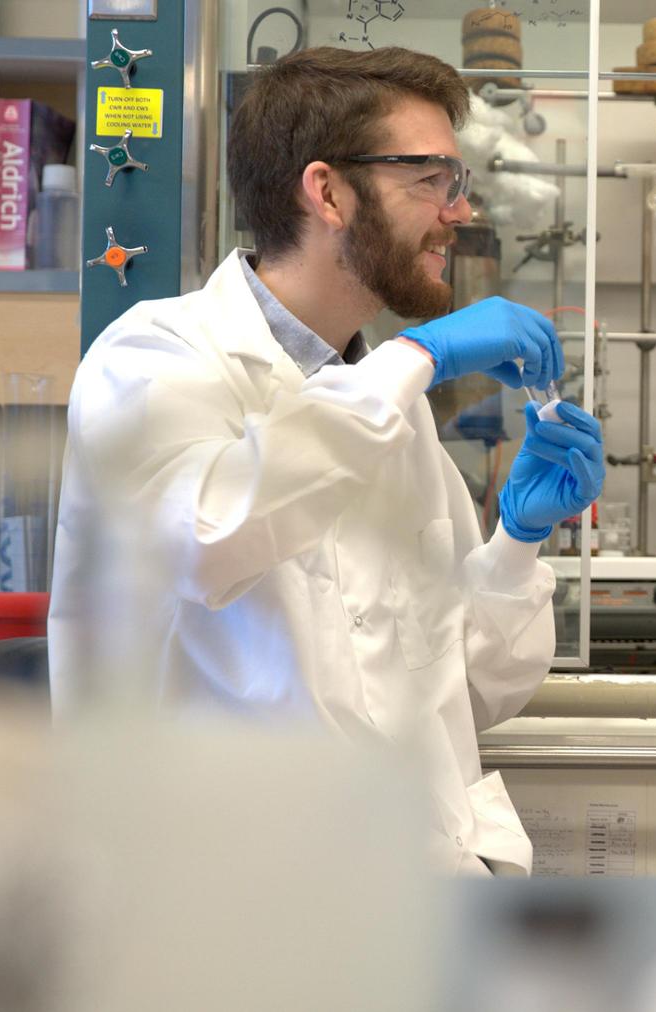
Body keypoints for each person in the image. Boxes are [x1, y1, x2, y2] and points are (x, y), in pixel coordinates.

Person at [48, 47, 604, 874]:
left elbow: (470, 689)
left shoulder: (384, 399)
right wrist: (415, 356)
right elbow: (209, 536)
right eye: (432, 179)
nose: (459, 211)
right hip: (226, 909)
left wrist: (518, 539)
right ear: (328, 191)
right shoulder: (152, 361)